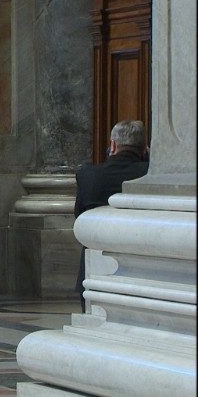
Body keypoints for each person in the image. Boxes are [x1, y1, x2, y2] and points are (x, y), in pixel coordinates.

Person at [74, 120, 149, 311]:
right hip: (140, 269)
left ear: (113, 145)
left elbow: (79, 217)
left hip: (94, 268)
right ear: (144, 149)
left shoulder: (88, 175)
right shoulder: (148, 174)